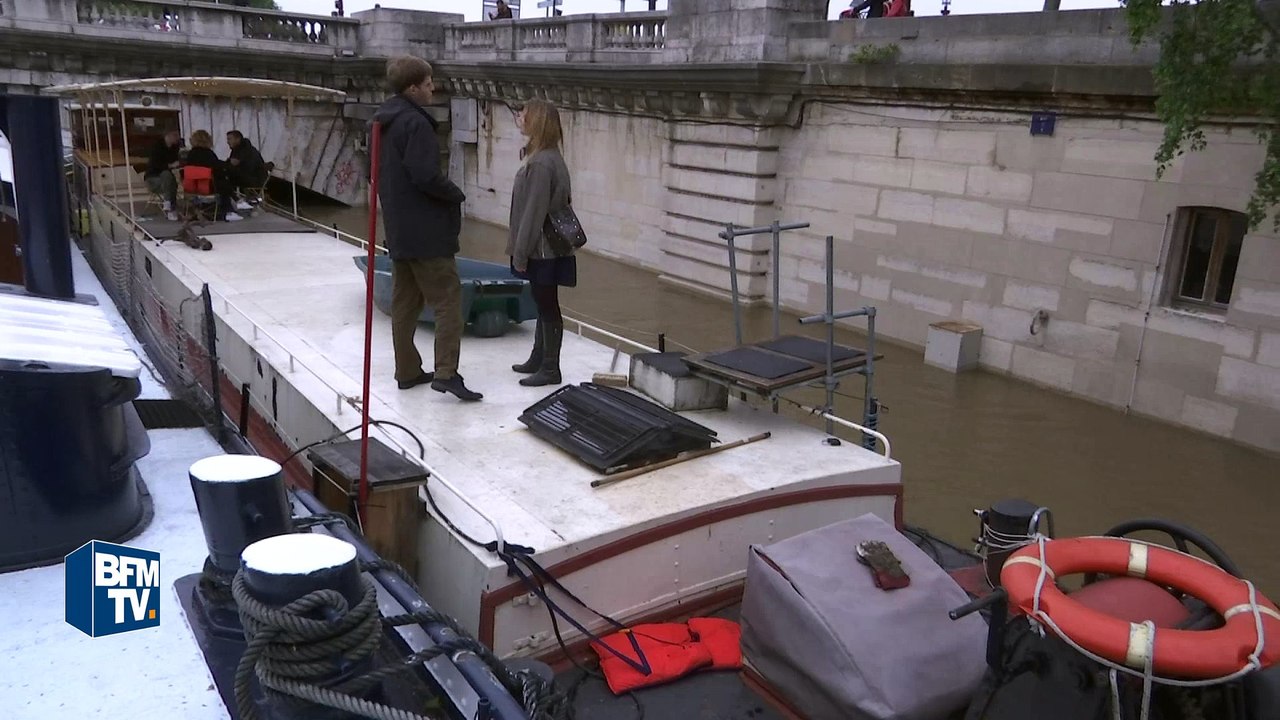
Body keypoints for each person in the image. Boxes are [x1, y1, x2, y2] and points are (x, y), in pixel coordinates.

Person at [373, 55, 481, 401]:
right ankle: (446, 372)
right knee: (448, 299)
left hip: (400, 228)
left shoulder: (380, 122)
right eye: (428, 82)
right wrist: (456, 194)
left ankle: (407, 371)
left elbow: (375, 173)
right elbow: (424, 175)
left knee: (405, 303)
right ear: (412, 87)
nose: (433, 87)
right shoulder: (415, 124)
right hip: (427, 231)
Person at [506, 99, 574, 388]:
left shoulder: (542, 163)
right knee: (542, 300)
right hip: (545, 245)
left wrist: (519, 253)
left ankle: (550, 367)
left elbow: (533, 212)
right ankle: (539, 357)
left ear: (537, 122)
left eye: (524, 114)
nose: (519, 117)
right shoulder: (544, 156)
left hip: (542, 248)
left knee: (547, 303)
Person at [184, 130, 243, 222]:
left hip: (192, 187)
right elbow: (217, 167)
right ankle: (230, 210)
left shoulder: (190, 155)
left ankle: (237, 202)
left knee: (220, 181)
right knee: (223, 182)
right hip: (207, 187)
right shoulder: (208, 153)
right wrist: (227, 166)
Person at [144, 130, 181, 221]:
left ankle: (168, 203)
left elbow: (175, 160)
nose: (178, 137)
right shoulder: (156, 147)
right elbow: (155, 165)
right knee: (168, 176)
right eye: (175, 135)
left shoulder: (175, 147)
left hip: (166, 181)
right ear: (167, 135)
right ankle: (171, 209)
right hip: (153, 179)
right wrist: (171, 165)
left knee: (169, 179)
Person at [225, 130, 266, 208]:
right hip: (249, 176)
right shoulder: (240, 148)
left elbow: (239, 164)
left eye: (230, 139)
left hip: (254, 178)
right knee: (224, 180)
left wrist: (228, 164)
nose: (227, 142)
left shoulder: (245, 150)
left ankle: (232, 205)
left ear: (238, 139)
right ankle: (236, 202)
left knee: (223, 181)